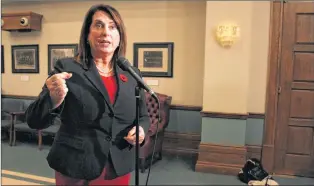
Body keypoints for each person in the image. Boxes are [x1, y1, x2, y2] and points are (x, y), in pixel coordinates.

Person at [25, 4, 150, 186]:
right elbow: (34, 121)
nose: (106, 32)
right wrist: (52, 99)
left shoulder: (131, 74)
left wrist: (142, 130)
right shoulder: (67, 68)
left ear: (119, 36)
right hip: (76, 166)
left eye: (112, 27)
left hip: (118, 166)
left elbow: (144, 116)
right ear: (87, 34)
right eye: (98, 25)